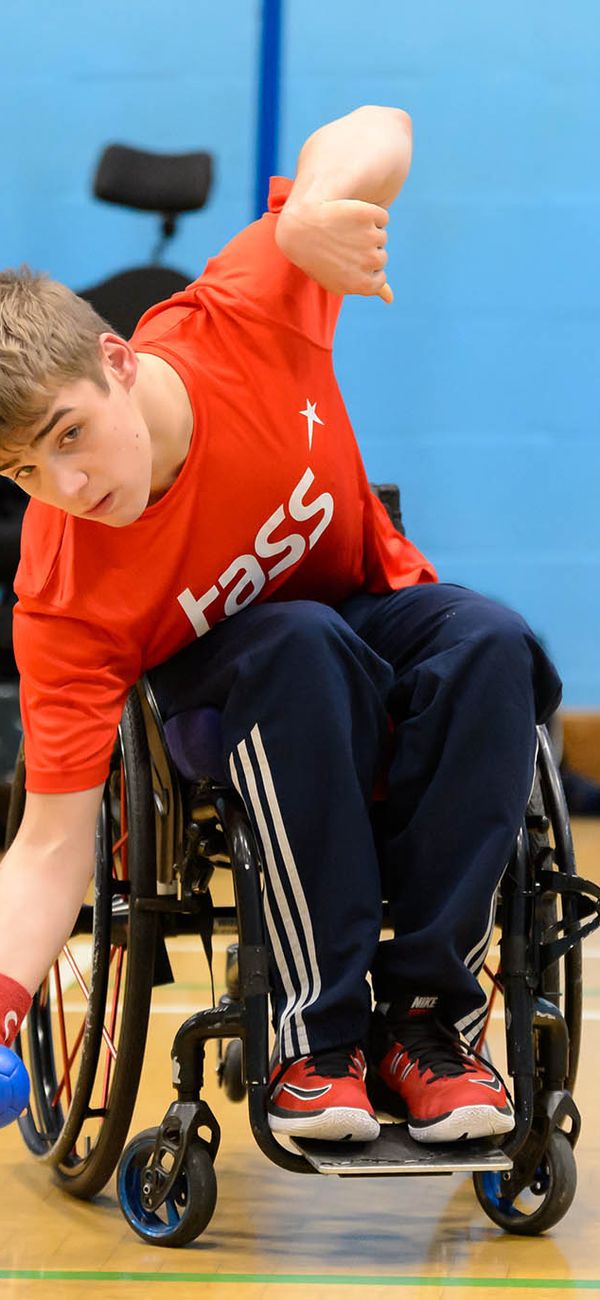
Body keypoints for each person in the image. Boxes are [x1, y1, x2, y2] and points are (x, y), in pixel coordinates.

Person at [0, 105, 561, 1146]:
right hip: (228, 696)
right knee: (299, 646)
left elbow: (384, 126)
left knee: (490, 641)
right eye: (27, 470)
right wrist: (2, 1000)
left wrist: (307, 216)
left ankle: (431, 1026)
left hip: (361, 612)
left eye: (68, 436)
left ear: (119, 362)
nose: (66, 485)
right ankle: (318, 1038)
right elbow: (47, 846)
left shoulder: (242, 315)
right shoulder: (65, 586)